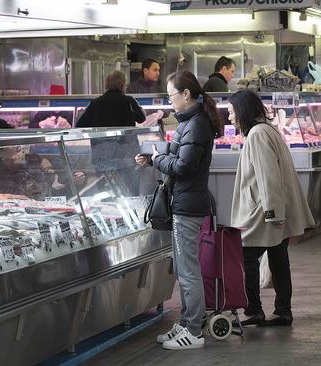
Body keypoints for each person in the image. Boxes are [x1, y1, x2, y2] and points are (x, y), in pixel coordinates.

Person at [135, 70, 222, 350]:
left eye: (172, 95)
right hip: (184, 202)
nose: (170, 101)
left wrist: (158, 159)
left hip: (188, 204)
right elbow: (178, 154)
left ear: (186, 94)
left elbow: (184, 167)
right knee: (184, 269)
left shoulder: (195, 124)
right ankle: (186, 323)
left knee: (187, 271)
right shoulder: (190, 122)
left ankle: (193, 331)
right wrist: (154, 157)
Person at [228, 90, 315, 327]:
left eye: (232, 112)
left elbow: (268, 177)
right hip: (273, 208)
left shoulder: (256, 135)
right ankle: (283, 310)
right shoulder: (267, 130)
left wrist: (272, 212)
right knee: (278, 258)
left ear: (242, 112)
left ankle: (254, 309)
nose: (230, 118)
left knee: (246, 256)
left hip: (263, 211)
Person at [76, 70, 145, 127]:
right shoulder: (129, 101)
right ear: (122, 85)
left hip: (100, 143)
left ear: (107, 84)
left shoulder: (94, 103)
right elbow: (142, 118)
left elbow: (80, 124)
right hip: (125, 142)